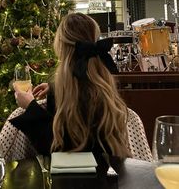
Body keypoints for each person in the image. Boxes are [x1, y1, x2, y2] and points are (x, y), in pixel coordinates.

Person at [10, 12, 130, 164]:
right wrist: (53, 88)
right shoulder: (100, 79)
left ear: (60, 45)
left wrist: (30, 107)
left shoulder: (84, 92)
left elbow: (61, 149)